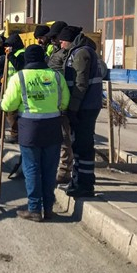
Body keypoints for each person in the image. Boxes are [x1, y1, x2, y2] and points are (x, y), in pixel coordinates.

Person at [1, 45, 70, 221]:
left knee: (32, 169)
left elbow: (8, 105)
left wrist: (4, 103)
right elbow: (65, 102)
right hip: (53, 128)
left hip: (29, 129)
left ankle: (34, 209)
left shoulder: (20, 77)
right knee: (49, 170)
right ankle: (48, 208)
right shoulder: (56, 76)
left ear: (27, 59)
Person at [57, 25, 103, 197]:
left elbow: (80, 84)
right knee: (79, 145)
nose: (61, 45)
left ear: (69, 40)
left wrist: (73, 109)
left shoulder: (81, 53)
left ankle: (84, 184)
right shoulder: (78, 51)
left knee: (83, 146)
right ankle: (80, 181)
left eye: (62, 42)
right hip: (85, 106)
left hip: (85, 107)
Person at [44, 21, 75, 184]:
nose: (53, 41)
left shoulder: (67, 54)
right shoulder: (57, 51)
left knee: (65, 137)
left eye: (55, 38)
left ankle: (65, 172)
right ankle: (61, 168)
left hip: (63, 101)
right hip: (53, 100)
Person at [3, 32, 25, 143]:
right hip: (11, 87)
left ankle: (15, 135)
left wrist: (11, 55)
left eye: (9, 45)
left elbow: (19, 66)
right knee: (10, 112)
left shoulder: (21, 53)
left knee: (12, 112)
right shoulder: (13, 54)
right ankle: (14, 133)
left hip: (19, 88)